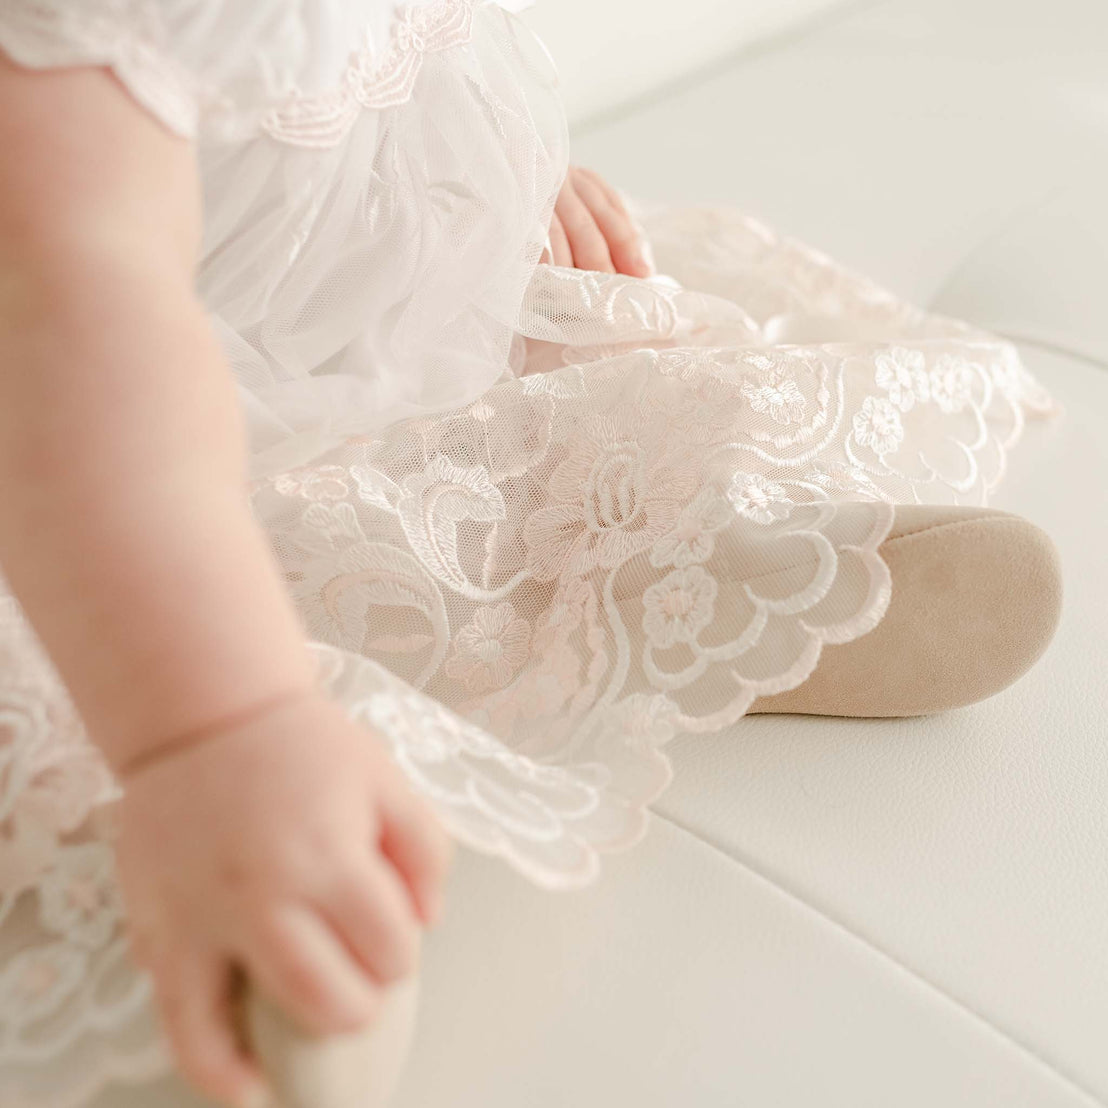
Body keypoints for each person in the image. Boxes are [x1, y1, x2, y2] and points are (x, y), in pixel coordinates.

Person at [0, 3, 1060, 1107]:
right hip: (92, 451)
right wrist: (217, 737)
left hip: (369, 300)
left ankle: (679, 587)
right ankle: (286, 892)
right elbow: (72, 319)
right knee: (172, 619)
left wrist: (514, 173)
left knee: (570, 393)